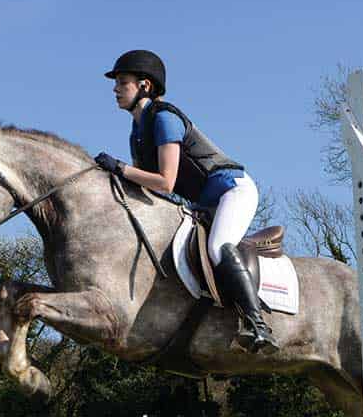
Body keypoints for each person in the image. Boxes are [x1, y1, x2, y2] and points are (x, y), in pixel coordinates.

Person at [94, 49, 278, 352]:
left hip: (231, 190)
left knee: (219, 247)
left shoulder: (164, 118)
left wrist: (122, 169)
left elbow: (165, 182)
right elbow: (147, 190)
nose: (115, 89)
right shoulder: (137, 132)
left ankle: (257, 324)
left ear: (145, 86)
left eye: (122, 82)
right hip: (203, 203)